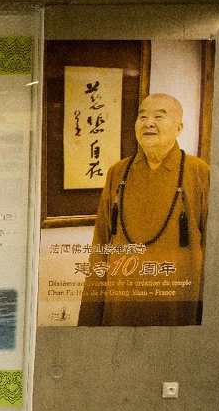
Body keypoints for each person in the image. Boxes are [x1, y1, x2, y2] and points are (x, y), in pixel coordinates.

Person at [77, 93, 210, 326]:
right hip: (121, 301)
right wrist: (89, 318)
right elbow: (100, 244)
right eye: (142, 116)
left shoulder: (198, 172)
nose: (148, 123)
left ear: (179, 128)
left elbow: (214, 250)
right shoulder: (118, 172)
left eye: (159, 116)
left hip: (177, 301)